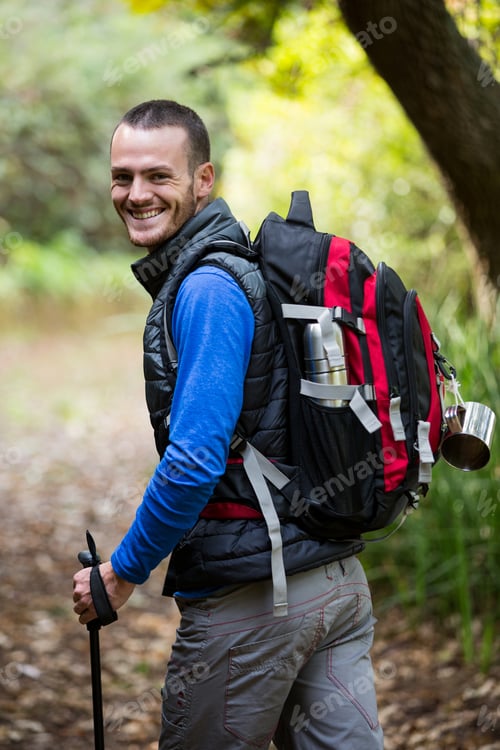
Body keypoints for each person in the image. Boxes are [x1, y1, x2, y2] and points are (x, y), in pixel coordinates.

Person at [73, 99, 384, 749]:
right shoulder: (240, 269)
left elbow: (194, 460)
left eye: (159, 176)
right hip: (333, 584)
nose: (136, 194)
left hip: (257, 599)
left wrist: (121, 572)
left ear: (203, 180)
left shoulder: (208, 287)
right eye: (122, 177)